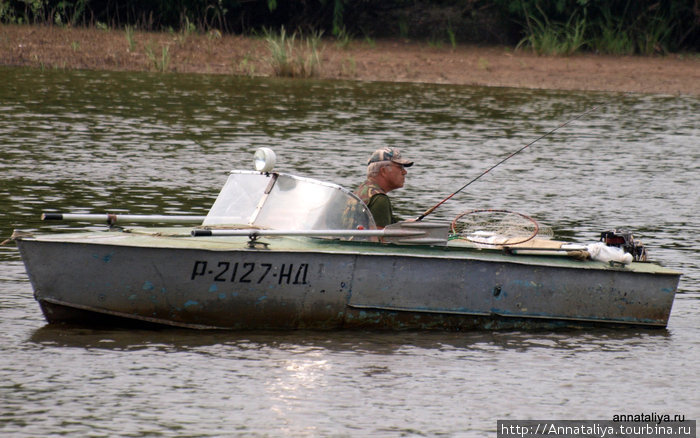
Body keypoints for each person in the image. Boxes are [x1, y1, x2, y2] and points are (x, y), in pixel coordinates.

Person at [354, 147, 413, 228]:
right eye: (400, 167)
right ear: (384, 171)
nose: (404, 172)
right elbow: (378, 238)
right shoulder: (379, 199)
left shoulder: (360, 190)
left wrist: (403, 225)